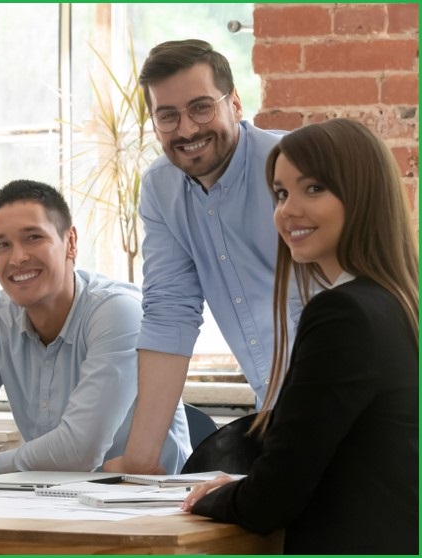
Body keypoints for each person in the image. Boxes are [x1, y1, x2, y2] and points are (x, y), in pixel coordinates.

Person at [182, 118, 418, 553]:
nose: (288, 211)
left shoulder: (343, 314)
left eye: (313, 189)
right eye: (281, 193)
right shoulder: (398, 302)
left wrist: (214, 499)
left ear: (362, 195)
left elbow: (273, 498)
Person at [104, 39, 299, 475]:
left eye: (201, 107)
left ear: (235, 103)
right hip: (274, 414)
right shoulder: (160, 189)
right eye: (167, 115)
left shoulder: (291, 168)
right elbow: (170, 314)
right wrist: (140, 459)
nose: (187, 129)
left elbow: (339, 296)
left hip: (344, 401)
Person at [0, 180, 191, 478]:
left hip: (150, 501)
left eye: (33, 237)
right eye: (2, 244)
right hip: (57, 500)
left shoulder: (118, 311)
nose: (17, 257)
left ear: (70, 242)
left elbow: (80, 449)